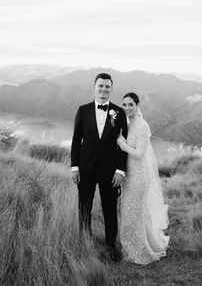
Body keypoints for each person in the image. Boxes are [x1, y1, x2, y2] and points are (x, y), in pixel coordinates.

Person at [71, 73, 128, 262]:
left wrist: (120, 171)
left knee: (110, 209)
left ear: (112, 89)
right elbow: (75, 141)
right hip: (85, 168)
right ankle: (84, 243)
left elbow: (123, 144)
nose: (103, 90)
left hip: (110, 171)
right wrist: (75, 167)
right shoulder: (83, 110)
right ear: (94, 87)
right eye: (100, 86)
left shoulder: (119, 113)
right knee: (84, 207)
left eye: (107, 87)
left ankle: (111, 247)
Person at [117, 92, 169, 265]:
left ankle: (140, 251)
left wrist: (123, 145)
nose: (126, 108)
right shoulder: (129, 123)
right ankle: (132, 246)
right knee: (131, 213)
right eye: (124, 104)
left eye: (130, 104)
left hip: (139, 177)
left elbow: (139, 154)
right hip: (129, 176)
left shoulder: (142, 126)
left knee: (134, 214)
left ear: (137, 105)